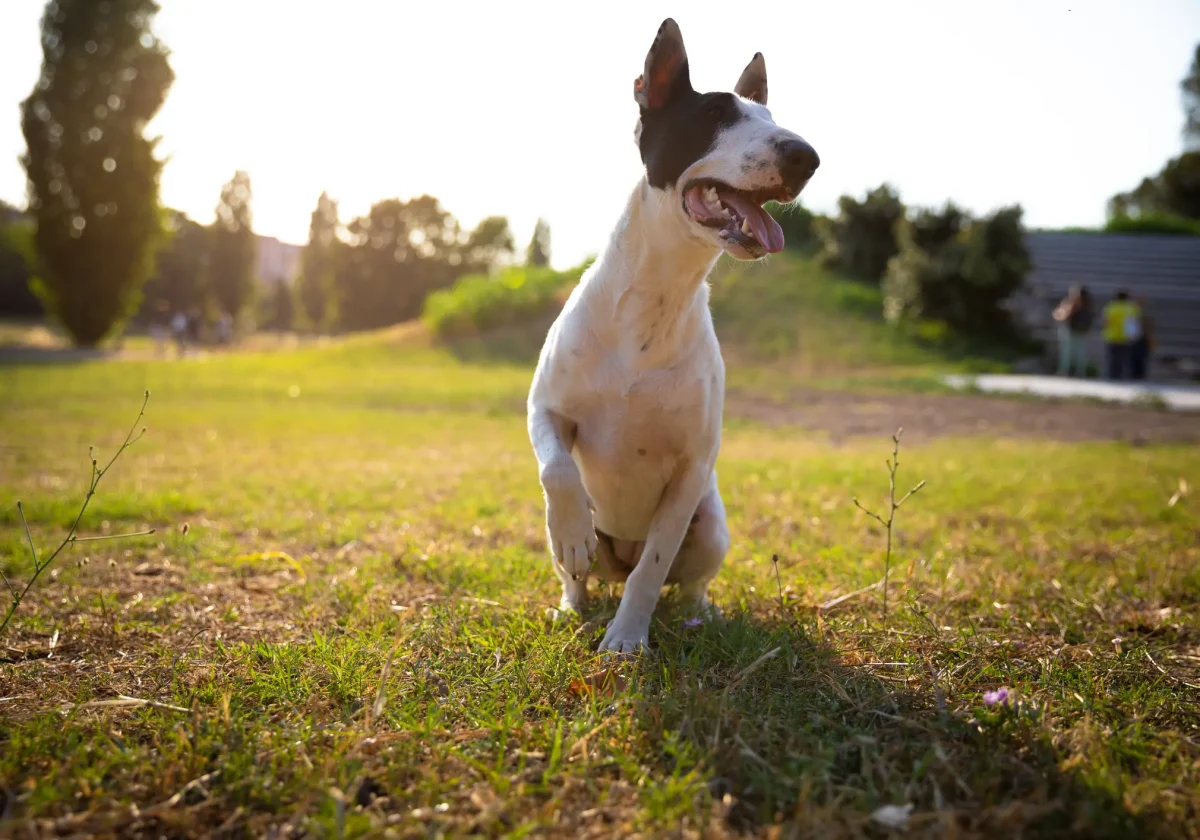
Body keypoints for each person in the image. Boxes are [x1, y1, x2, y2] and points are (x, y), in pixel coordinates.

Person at [1052, 285, 1092, 377]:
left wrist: (1058, 315)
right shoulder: (1087, 304)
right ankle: (1080, 371)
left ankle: (1064, 371)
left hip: (1070, 330)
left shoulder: (1072, 303)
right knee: (1080, 353)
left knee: (1066, 353)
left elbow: (1065, 314)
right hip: (1081, 330)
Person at [1100, 290, 1141, 380]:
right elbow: (1133, 323)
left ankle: (1112, 376)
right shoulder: (1131, 308)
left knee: (1112, 358)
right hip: (1125, 337)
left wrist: (1103, 330)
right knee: (1124, 359)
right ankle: (1123, 376)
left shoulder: (1111, 307)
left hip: (1112, 336)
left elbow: (1105, 322)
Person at [1130, 294, 1153, 381]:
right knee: (1135, 358)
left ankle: (1140, 375)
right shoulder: (1132, 311)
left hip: (1143, 337)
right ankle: (1135, 375)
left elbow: (1150, 327)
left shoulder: (1146, 313)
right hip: (1135, 337)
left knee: (1141, 358)